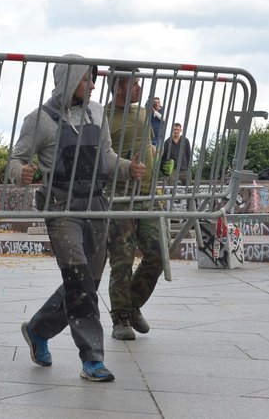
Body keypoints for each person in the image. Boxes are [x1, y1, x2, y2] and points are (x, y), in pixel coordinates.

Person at [7, 55, 146, 383]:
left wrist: (128, 168)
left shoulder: (97, 113)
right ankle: (93, 360)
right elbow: (16, 159)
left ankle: (37, 329)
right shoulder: (38, 120)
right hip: (62, 210)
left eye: (94, 78)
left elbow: (107, 158)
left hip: (96, 206)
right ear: (68, 80)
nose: (95, 84)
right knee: (80, 282)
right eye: (87, 79)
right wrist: (21, 173)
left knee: (85, 284)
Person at [106, 70, 163, 341]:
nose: (140, 89)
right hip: (119, 197)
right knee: (122, 259)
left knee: (158, 253)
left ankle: (131, 305)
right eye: (134, 84)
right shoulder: (104, 117)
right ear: (118, 87)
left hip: (148, 196)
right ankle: (120, 318)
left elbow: (149, 145)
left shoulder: (142, 114)